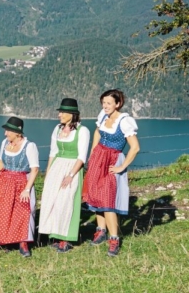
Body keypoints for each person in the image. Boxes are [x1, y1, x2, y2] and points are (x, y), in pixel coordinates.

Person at [84, 89, 140, 257]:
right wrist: (93, 153)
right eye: (104, 102)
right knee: (96, 197)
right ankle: (101, 231)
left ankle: (114, 239)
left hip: (112, 161)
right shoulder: (103, 116)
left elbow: (135, 147)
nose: (105, 106)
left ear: (118, 104)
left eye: (109, 103)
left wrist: (121, 167)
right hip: (98, 158)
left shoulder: (124, 121)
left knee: (108, 200)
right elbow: (97, 132)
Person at [38, 99, 90, 253]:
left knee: (66, 201)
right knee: (52, 200)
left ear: (71, 114)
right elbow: (53, 152)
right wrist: (48, 173)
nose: (59, 114)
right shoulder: (57, 129)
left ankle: (67, 238)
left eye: (62, 112)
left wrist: (71, 175)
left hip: (72, 167)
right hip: (57, 167)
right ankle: (55, 234)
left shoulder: (82, 131)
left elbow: (82, 157)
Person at [0, 116, 39, 257]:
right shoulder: (5, 143)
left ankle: (23, 242)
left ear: (18, 132)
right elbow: (1, 161)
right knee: (4, 211)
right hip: (5, 182)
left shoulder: (29, 146)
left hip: (22, 182)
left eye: (8, 131)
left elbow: (34, 169)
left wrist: (27, 189)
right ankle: (4, 241)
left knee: (23, 212)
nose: (5, 133)